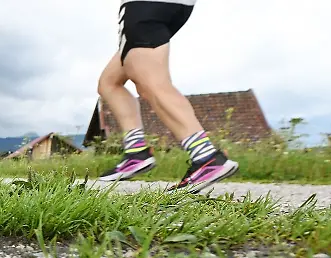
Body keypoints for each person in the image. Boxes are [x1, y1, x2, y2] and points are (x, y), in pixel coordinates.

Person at [96, 0, 239, 193]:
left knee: (152, 82)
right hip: (165, 6)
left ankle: (206, 156)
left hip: (145, 4)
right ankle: (136, 151)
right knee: (109, 83)